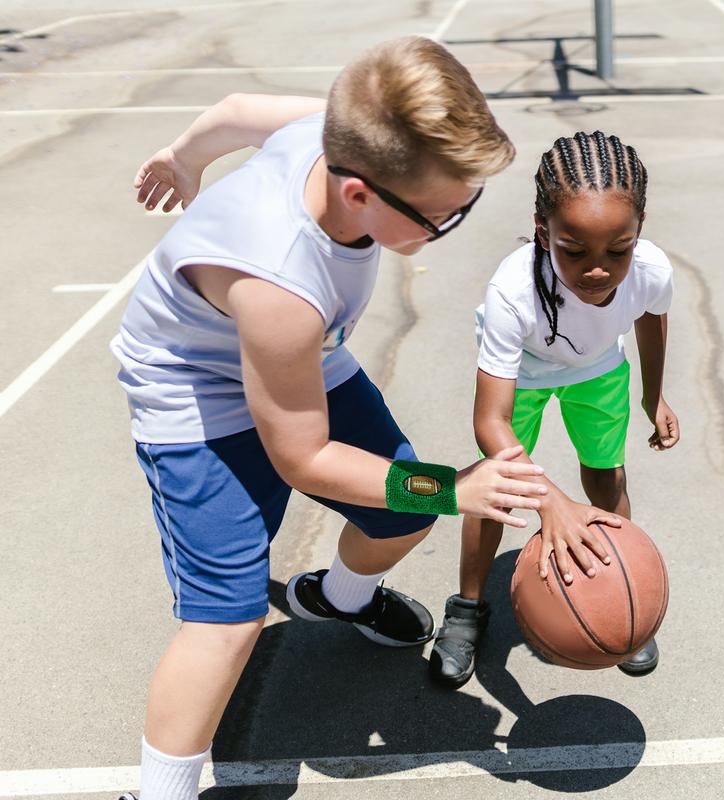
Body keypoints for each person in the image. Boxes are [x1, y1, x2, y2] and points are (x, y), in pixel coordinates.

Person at [111, 37, 571, 800]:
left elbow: (232, 113)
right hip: (194, 393)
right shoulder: (281, 282)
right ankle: (161, 794)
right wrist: (454, 487)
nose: (447, 227)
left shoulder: (328, 131)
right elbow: (303, 458)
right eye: (440, 217)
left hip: (304, 359)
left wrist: (183, 158)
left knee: (398, 516)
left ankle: (335, 598)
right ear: (360, 194)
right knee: (224, 621)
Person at [428, 131, 679, 688]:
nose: (598, 270)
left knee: (606, 474)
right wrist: (548, 500)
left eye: (619, 250)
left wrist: (652, 393)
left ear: (637, 234)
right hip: (525, 375)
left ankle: (617, 585)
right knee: (497, 489)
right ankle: (468, 608)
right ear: (544, 234)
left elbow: (649, 318)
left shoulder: (652, 270)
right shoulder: (512, 292)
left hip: (597, 369)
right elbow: (490, 420)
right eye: (574, 251)